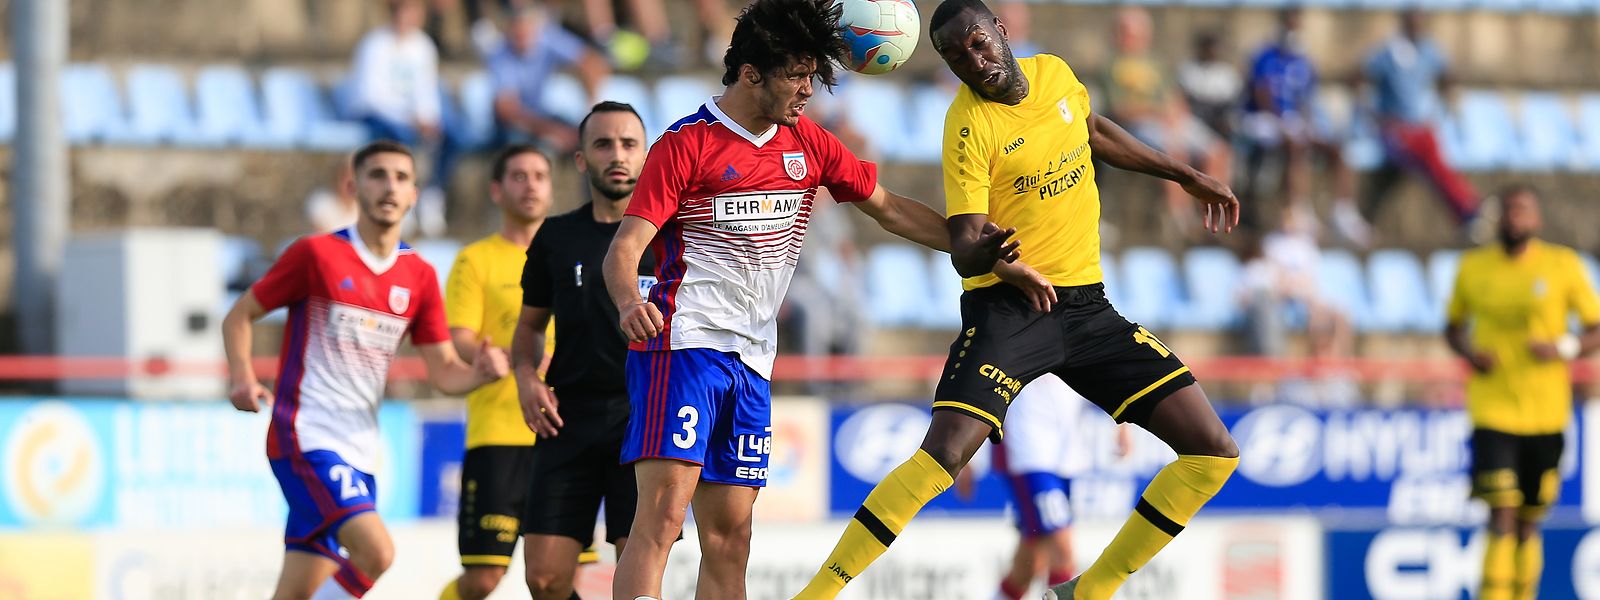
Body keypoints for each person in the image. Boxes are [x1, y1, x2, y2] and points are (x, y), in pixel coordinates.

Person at [793, 2, 1242, 599]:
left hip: (1086, 307)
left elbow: (1092, 129)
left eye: (977, 43)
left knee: (1212, 451)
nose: (972, 62)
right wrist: (1005, 263)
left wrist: (1181, 173)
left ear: (1001, 32)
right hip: (1007, 309)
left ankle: (1088, 591)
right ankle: (814, 595)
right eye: (955, 57)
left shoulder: (1056, 73)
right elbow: (965, 246)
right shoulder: (968, 125)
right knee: (945, 454)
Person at [600, 2, 1043, 597]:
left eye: (814, 75)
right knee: (661, 522)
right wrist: (630, 301)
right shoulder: (686, 145)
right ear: (751, 74)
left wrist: (988, 258)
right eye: (796, 76)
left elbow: (889, 208)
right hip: (683, 346)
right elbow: (623, 251)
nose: (808, 89)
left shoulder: (808, 142)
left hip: (753, 361)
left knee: (732, 540)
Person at [222, 140, 509, 600]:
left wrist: (482, 372)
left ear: (414, 194)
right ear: (354, 187)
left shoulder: (418, 275)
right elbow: (240, 314)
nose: (389, 186)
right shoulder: (316, 255)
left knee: (296, 593)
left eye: (400, 177)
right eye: (377, 175)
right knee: (376, 554)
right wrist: (241, 375)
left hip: (360, 449)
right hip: (306, 436)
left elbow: (444, 371)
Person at [511, 101, 655, 600]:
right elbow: (529, 329)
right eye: (603, 144)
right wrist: (527, 378)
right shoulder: (556, 236)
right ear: (580, 160)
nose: (616, 155)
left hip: (646, 418)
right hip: (566, 419)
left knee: (636, 576)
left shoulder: (675, 236)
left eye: (628, 144)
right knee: (544, 580)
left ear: (646, 155)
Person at [1445, 185, 1600, 600]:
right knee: (1501, 512)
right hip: (1493, 409)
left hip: (1547, 412)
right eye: (1508, 210)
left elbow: (1595, 326)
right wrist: (1470, 353)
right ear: (1498, 219)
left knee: (1529, 519)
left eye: (1523, 210)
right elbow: (1453, 326)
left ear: (1537, 219)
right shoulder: (1473, 268)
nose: (1515, 218)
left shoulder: (1562, 266)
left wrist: (1563, 348)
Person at [435, 144, 554, 600]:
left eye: (539, 175)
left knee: (557, 578)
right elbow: (461, 335)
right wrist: (491, 357)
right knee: (484, 577)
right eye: (519, 176)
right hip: (498, 433)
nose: (530, 185)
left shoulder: (569, 252)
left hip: (564, 434)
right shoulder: (476, 259)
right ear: (497, 190)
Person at [982, 376, 1131, 600]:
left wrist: (1120, 422)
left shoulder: (1079, 341)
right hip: (1029, 456)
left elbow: (1100, 370)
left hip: (1066, 458)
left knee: (1031, 562)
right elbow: (984, 375)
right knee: (1062, 551)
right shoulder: (1018, 341)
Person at [1240, 7, 1368, 246]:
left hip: (1292, 119)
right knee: (1295, 144)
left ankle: (1343, 213)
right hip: (1261, 119)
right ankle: (1299, 210)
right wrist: (1285, 122)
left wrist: (1306, 124)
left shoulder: (1304, 61)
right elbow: (1261, 94)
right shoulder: (1264, 55)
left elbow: (1306, 101)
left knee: (1336, 149)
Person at [1102, 6, 1233, 237]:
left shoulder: (1157, 63)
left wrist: (1174, 115)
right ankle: (1180, 217)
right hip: (1139, 124)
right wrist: (1157, 112)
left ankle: (1218, 211)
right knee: (1174, 151)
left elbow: (1176, 98)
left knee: (1218, 149)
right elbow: (1119, 110)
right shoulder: (1112, 67)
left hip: (1171, 120)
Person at [348, 0, 460, 237]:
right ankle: (401, 200)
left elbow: (426, 90)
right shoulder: (374, 45)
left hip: (410, 118)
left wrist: (429, 118)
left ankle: (432, 193)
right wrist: (410, 119)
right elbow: (372, 96)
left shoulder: (423, 45)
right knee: (400, 140)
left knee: (451, 136)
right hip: (374, 114)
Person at [1361, 9, 1480, 232]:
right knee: (1429, 158)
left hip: (1420, 129)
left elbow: (1447, 75)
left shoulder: (1429, 50)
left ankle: (1468, 210)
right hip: (1395, 129)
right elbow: (1359, 76)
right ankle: (1467, 209)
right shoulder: (1387, 53)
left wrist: (1445, 99)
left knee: (1433, 155)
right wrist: (1372, 114)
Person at [488, 5, 610, 153]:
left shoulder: (546, 38)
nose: (521, 36)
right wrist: (553, 131)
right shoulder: (500, 56)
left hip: (539, 115)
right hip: (514, 125)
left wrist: (591, 106)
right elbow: (507, 110)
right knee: (535, 148)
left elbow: (592, 62)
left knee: (588, 137)